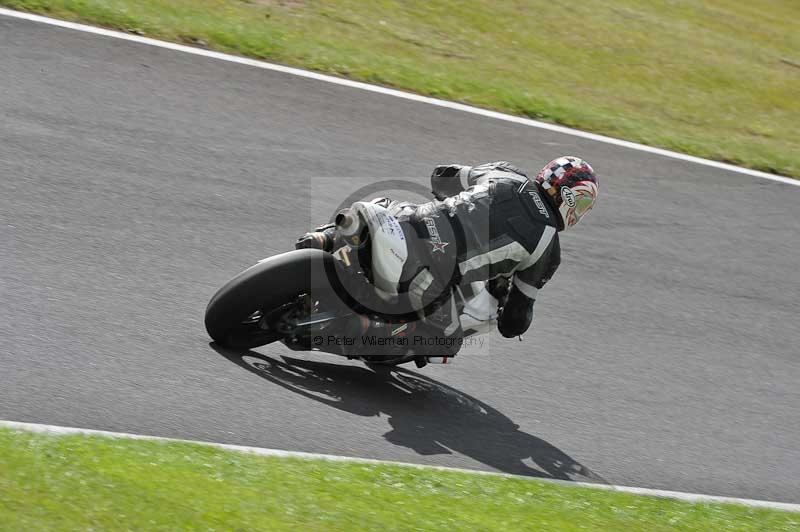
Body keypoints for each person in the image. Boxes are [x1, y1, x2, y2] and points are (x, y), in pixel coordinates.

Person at [296, 157, 599, 361]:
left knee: (384, 204)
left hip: (407, 222)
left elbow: (442, 176)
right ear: (569, 199)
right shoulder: (548, 246)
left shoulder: (506, 173)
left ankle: (324, 238)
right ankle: (362, 330)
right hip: (432, 275)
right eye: (582, 203)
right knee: (447, 341)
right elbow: (514, 321)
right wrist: (514, 314)